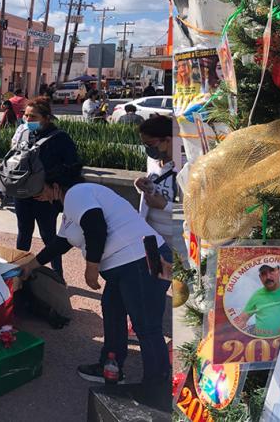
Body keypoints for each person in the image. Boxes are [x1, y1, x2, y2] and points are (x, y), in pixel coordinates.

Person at [20, 171, 172, 386]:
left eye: (40, 190)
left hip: (142, 260)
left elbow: (96, 226)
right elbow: (61, 243)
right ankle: (110, 366)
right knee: (112, 310)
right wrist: (31, 266)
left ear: (55, 185)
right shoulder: (72, 206)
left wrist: (92, 267)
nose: (38, 197)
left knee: (147, 327)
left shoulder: (77, 193)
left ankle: (156, 387)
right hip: (129, 265)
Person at [9, 97, 80, 278]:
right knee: (24, 233)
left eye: (33, 116)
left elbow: (74, 166)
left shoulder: (60, 138)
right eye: (25, 116)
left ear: (46, 117)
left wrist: (53, 187)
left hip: (45, 197)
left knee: (49, 235)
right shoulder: (24, 133)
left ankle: (57, 276)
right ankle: (19, 272)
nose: (27, 120)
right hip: (23, 194)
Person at [135, 116, 178, 246]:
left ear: (168, 140)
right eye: (145, 144)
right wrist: (140, 184)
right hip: (151, 233)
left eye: (151, 144)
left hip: (175, 238)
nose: (148, 149)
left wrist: (165, 206)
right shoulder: (153, 160)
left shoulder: (187, 167)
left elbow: (196, 208)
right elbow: (154, 185)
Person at [233, 265, 280, 337]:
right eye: (264, 274)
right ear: (260, 278)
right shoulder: (257, 296)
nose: (268, 277)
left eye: (271, 272)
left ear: (279, 272)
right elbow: (242, 318)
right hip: (263, 343)